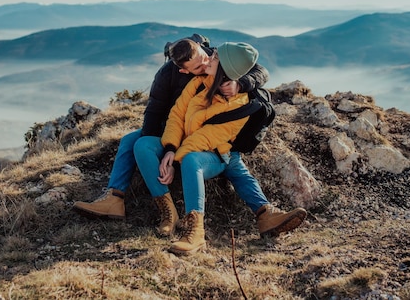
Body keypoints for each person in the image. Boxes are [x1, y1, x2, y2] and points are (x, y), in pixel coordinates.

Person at [73, 36, 306, 239]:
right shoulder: (173, 77)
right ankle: (116, 198)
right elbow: (157, 111)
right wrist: (166, 149)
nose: (205, 65)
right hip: (180, 131)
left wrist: (241, 83)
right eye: (198, 66)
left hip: (212, 139)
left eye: (207, 58)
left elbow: (259, 70)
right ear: (183, 70)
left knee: (231, 160)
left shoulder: (220, 61)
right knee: (133, 142)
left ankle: (265, 213)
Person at [134, 41, 306, 255]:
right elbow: (177, 114)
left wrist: (175, 159)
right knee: (144, 144)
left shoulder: (238, 103)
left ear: (226, 67)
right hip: (195, 146)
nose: (209, 57)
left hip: (214, 153)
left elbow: (206, 138)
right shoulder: (199, 82)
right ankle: (265, 215)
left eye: (215, 57)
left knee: (198, 160)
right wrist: (169, 148)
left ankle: (196, 233)